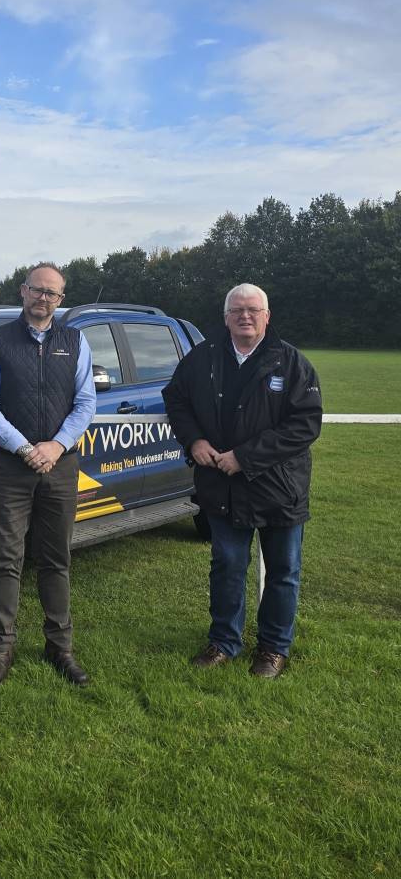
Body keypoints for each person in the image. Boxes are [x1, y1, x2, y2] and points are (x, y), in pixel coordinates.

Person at [162, 283, 321, 678]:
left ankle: (272, 649)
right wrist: (194, 439)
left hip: (279, 488)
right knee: (228, 566)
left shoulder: (291, 363)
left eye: (253, 310)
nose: (245, 316)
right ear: (226, 317)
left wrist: (245, 458)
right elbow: (175, 399)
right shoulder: (202, 359)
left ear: (267, 316)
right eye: (237, 310)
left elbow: (305, 424)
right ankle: (224, 642)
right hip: (222, 487)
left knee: (283, 571)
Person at [0, 263, 97, 686]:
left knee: (56, 558)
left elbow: (85, 402)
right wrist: (26, 448)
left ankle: (59, 646)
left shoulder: (76, 341)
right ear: (23, 291)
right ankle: (2, 646)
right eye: (37, 290)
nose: (44, 298)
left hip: (60, 465)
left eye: (53, 293)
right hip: (11, 465)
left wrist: (56, 446)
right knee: (6, 558)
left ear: (61, 300)